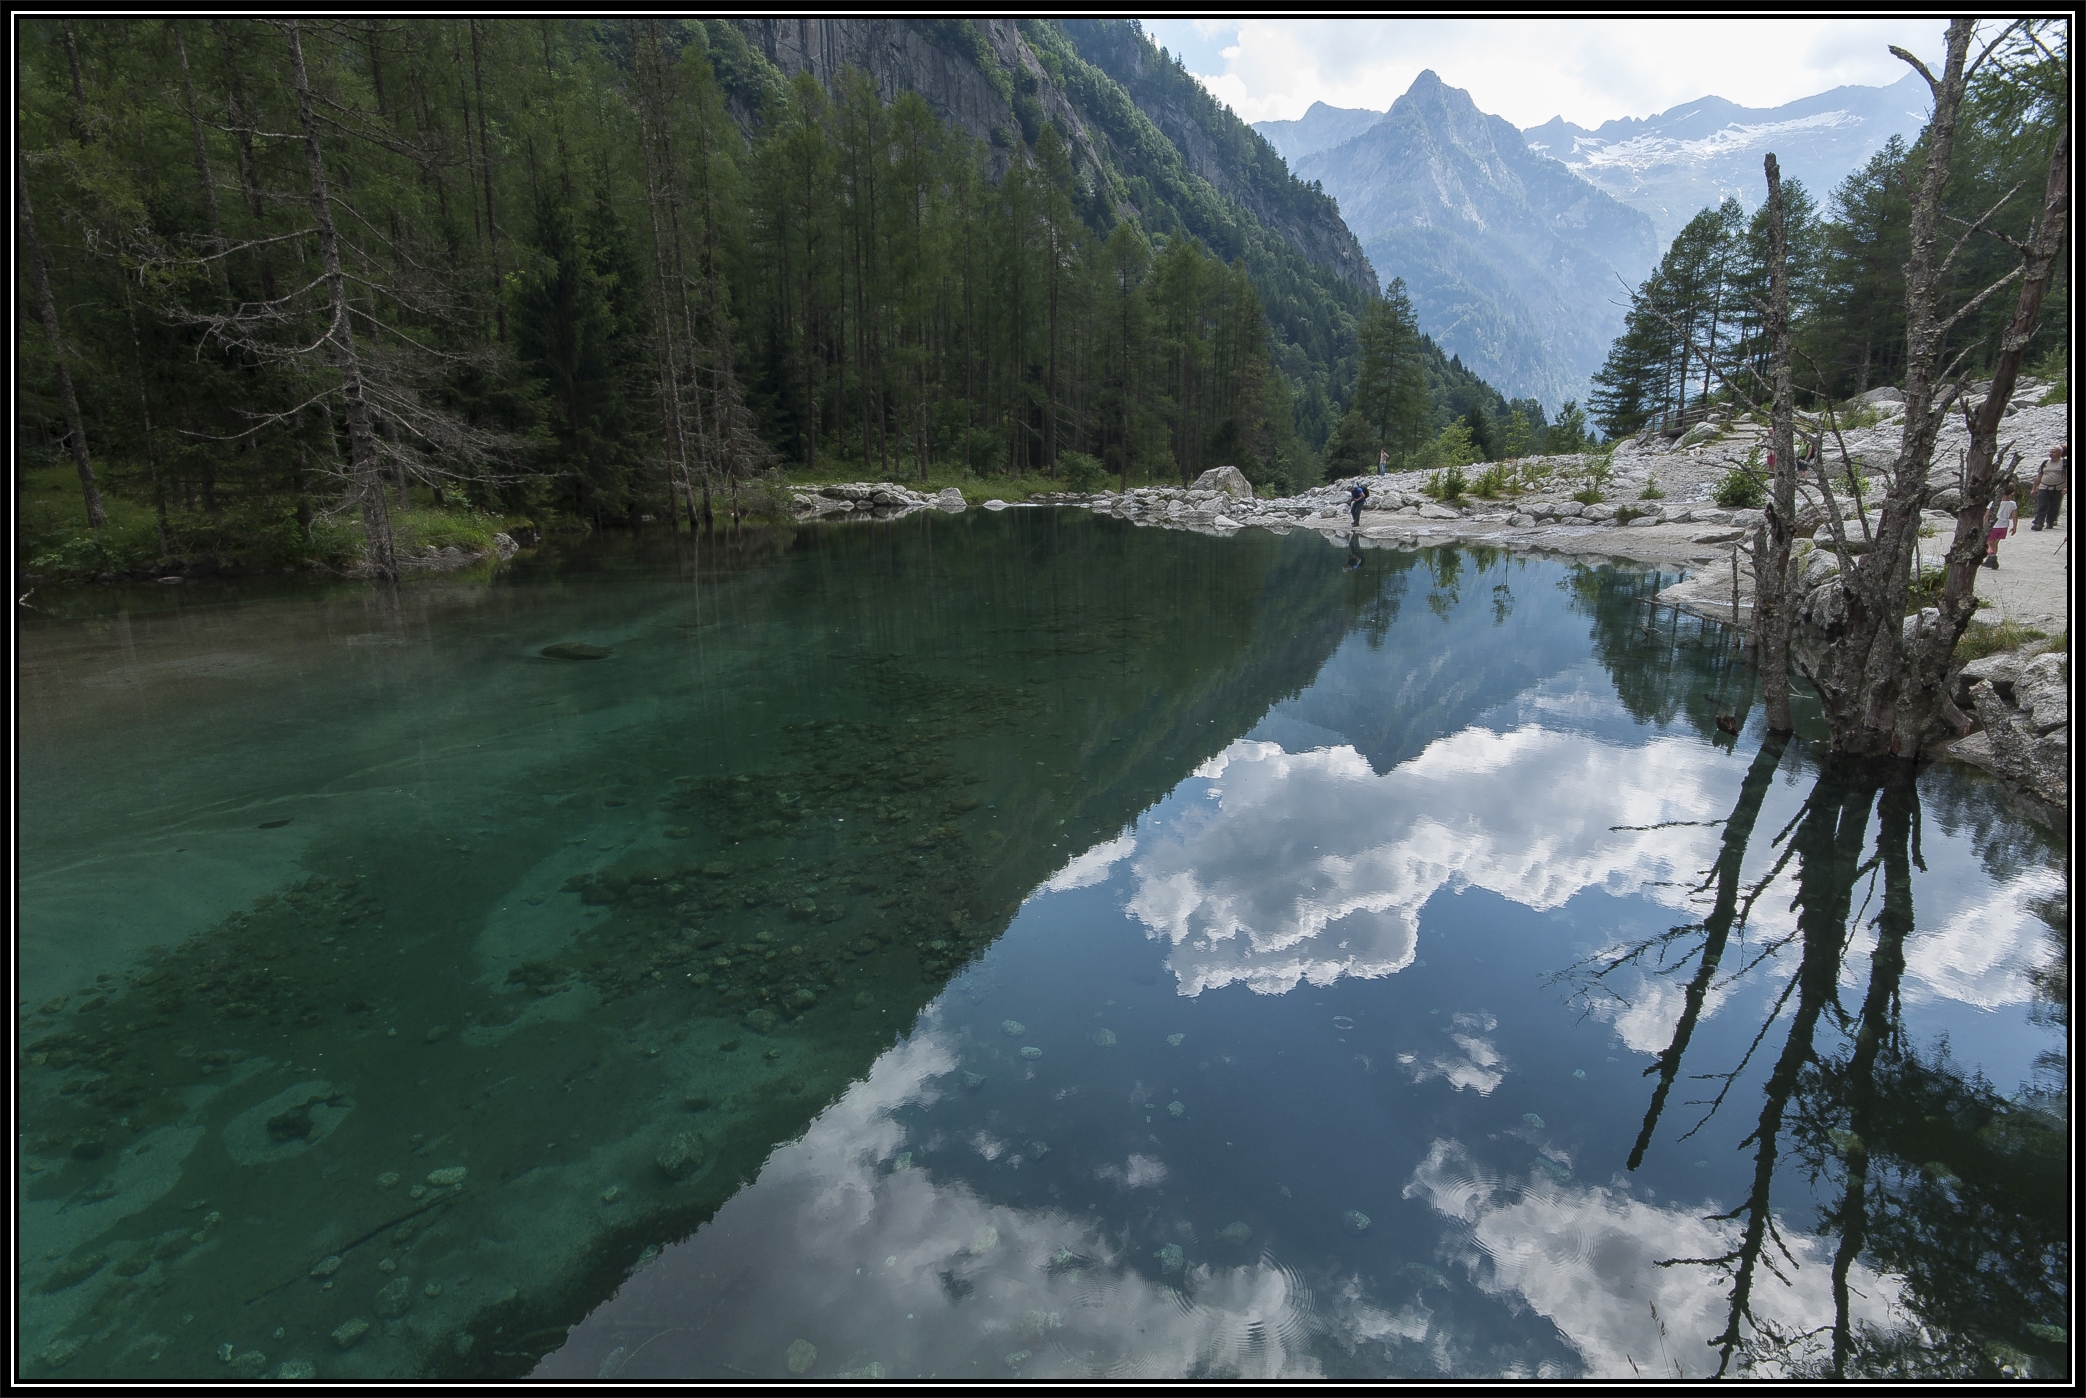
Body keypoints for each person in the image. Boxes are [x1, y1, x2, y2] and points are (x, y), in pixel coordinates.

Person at [2030, 444, 2067, 530]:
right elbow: (2039, 476)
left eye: (2053, 452)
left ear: (2059, 453)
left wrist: (2066, 487)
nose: (2051, 453)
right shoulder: (2045, 463)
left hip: (2058, 488)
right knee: (2042, 505)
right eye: (2050, 452)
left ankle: (2050, 521)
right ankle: (2038, 523)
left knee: (2054, 506)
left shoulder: (2064, 463)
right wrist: (2034, 488)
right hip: (2044, 486)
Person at [1983, 483, 2018, 569]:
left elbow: (1987, 515)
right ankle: (1990, 560)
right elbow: (2015, 516)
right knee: (1995, 543)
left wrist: (1984, 525)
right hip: (2004, 526)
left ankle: (1992, 556)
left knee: (1988, 544)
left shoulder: (1993, 503)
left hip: (1994, 526)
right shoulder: (2012, 504)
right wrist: (2014, 527)